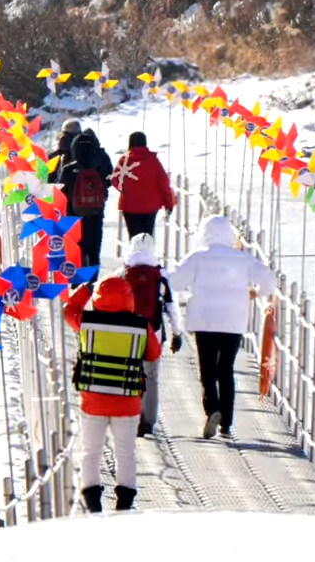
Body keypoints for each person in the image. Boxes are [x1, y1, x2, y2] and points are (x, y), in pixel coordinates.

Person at [168, 215, 276, 439]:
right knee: (226, 369)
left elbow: (175, 282)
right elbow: (268, 278)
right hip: (233, 322)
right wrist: (258, 292)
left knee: (207, 371)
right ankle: (227, 423)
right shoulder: (242, 259)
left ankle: (213, 410)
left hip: (204, 321)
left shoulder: (198, 257)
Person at [65, 277, 161, 513]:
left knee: (91, 451)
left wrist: (84, 290)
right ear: (129, 298)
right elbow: (153, 354)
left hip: (93, 400)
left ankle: (92, 498)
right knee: (125, 450)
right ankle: (125, 501)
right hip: (127, 403)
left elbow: (68, 310)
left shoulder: (86, 321)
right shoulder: (141, 326)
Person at [115, 233, 184, 437]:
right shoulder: (160, 275)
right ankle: (148, 421)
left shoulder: (123, 272)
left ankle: (131, 416)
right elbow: (171, 306)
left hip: (128, 332)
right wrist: (177, 333)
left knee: (130, 373)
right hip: (153, 331)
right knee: (151, 377)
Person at [58, 130, 112, 266]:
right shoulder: (99, 167)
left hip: (73, 215)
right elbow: (109, 181)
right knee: (94, 251)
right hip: (96, 213)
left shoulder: (68, 169)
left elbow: (61, 192)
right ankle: (93, 282)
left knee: (77, 249)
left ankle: (78, 282)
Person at [113, 131, 175, 239]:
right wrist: (168, 204)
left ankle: (135, 254)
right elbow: (164, 184)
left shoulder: (124, 160)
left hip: (129, 205)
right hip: (150, 206)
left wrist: (125, 190)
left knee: (134, 238)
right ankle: (146, 254)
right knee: (147, 237)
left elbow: (115, 179)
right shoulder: (153, 161)